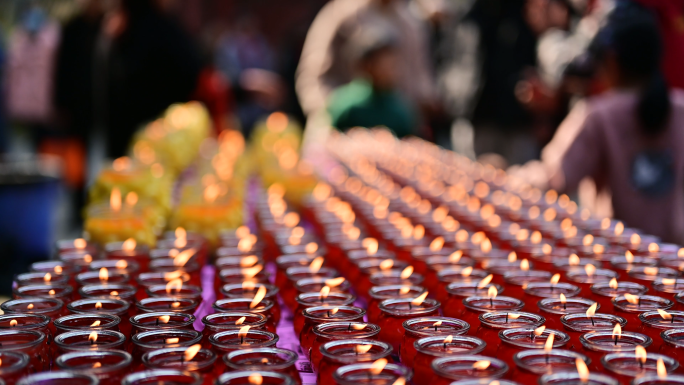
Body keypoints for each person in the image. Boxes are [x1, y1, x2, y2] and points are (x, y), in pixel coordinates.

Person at [541, 3, 684, 243]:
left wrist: (506, 176)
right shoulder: (680, 109)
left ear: (612, 60)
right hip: (674, 259)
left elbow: (555, 178)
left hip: (616, 261)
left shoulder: (599, 115)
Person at [295, 0, 435, 123]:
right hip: (348, 125)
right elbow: (313, 76)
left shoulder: (410, 24)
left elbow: (420, 82)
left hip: (396, 129)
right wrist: (329, 116)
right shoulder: (342, 15)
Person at [98, 0, 201, 158]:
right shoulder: (161, 29)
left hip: (127, 135)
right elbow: (192, 73)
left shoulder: (121, 28)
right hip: (158, 136)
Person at [326, 27, 417, 137]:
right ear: (367, 66)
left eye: (394, 64)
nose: (392, 71)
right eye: (385, 64)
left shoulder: (400, 110)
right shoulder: (346, 107)